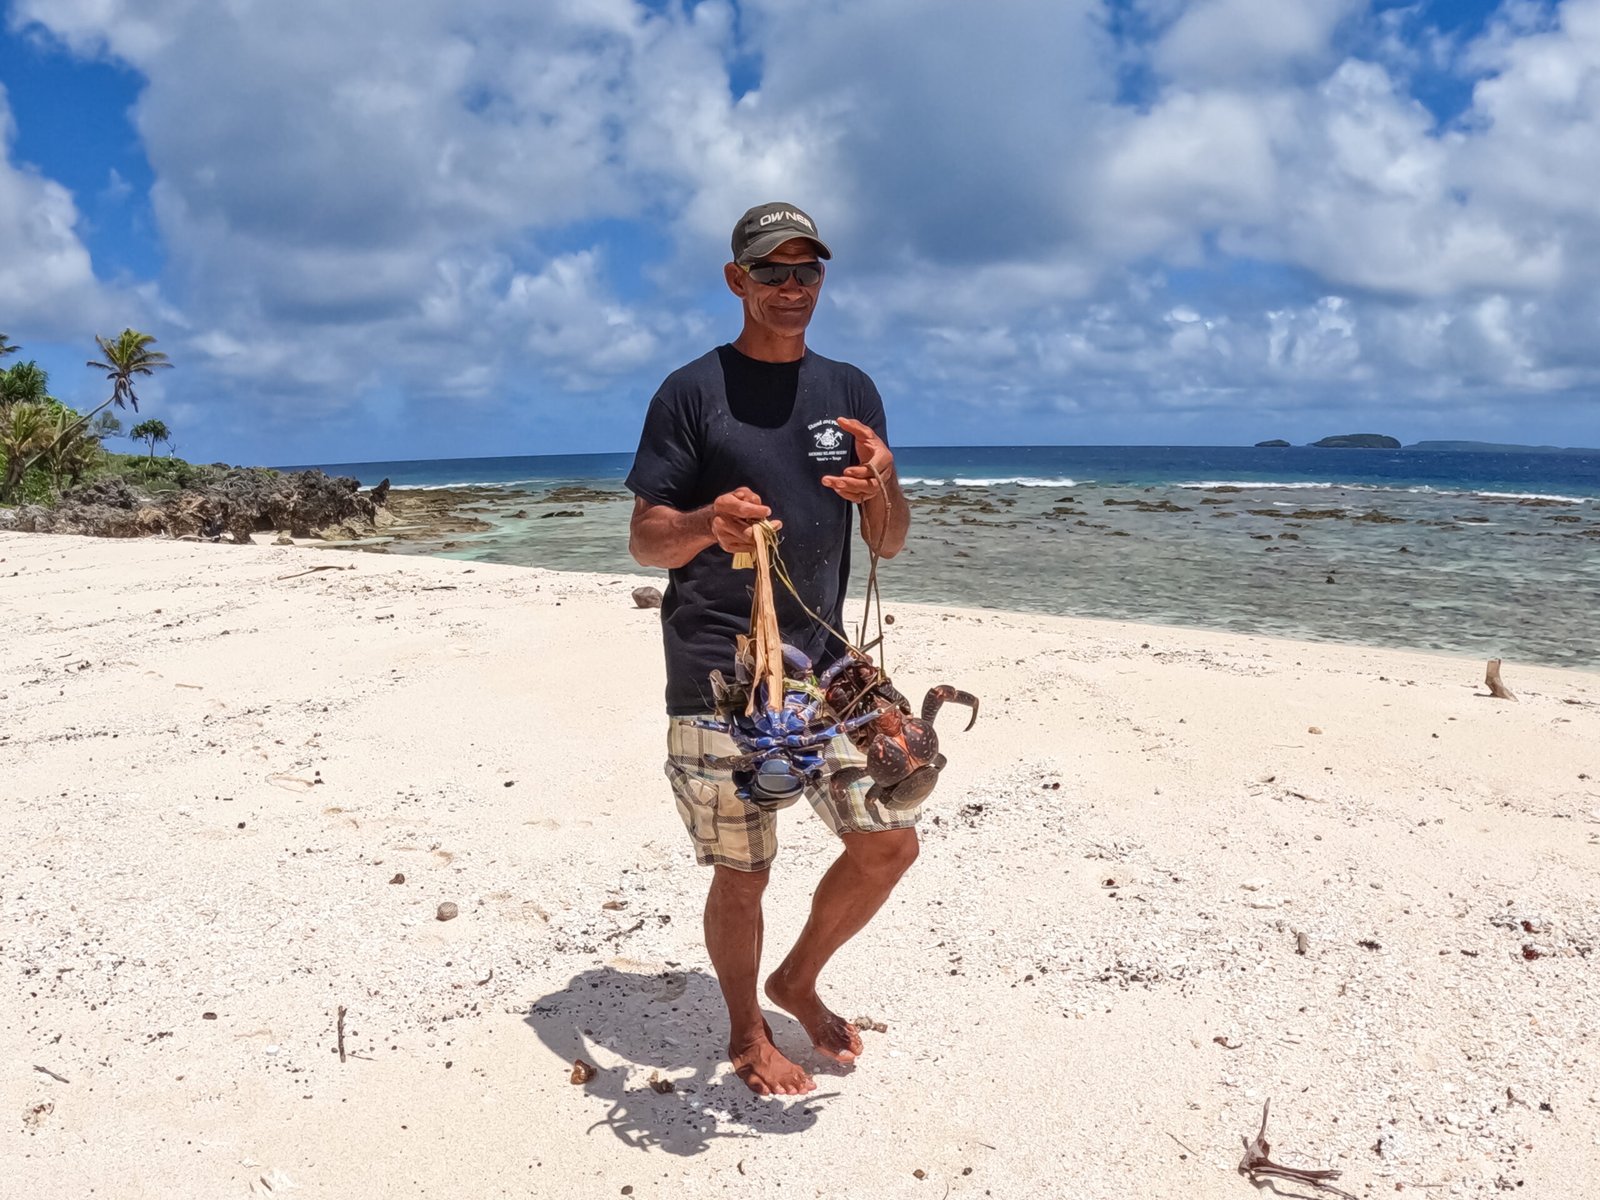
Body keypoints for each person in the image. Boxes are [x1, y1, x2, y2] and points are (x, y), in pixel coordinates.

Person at [626, 202, 914, 1096]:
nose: (792, 288)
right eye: (772, 271)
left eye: (807, 271)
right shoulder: (691, 392)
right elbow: (645, 539)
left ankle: (798, 979)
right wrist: (709, 526)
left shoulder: (851, 391)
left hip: (829, 670)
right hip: (719, 670)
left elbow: (890, 541)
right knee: (744, 873)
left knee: (888, 843)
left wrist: (884, 488)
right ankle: (748, 1032)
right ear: (736, 281)